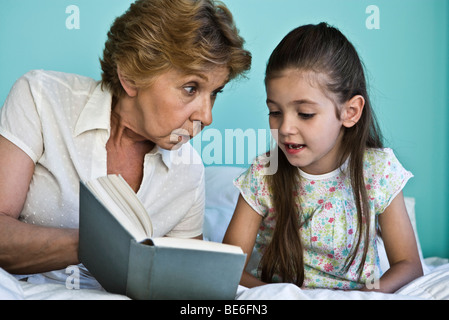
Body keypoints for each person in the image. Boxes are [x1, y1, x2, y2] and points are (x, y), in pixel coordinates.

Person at [0, 0, 251, 287]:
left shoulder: (189, 172)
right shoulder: (41, 98)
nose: (207, 116)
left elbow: (184, 283)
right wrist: (102, 246)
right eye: (190, 88)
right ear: (131, 75)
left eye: (215, 93)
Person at [223, 22, 422, 293]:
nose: (285, 129)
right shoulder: (264, 174)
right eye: (275, 112)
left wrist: (366, 296)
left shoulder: (377, 171)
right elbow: (227, 268)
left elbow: (409, 264)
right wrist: (278, 295)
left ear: (350, 112)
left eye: (304, 113)